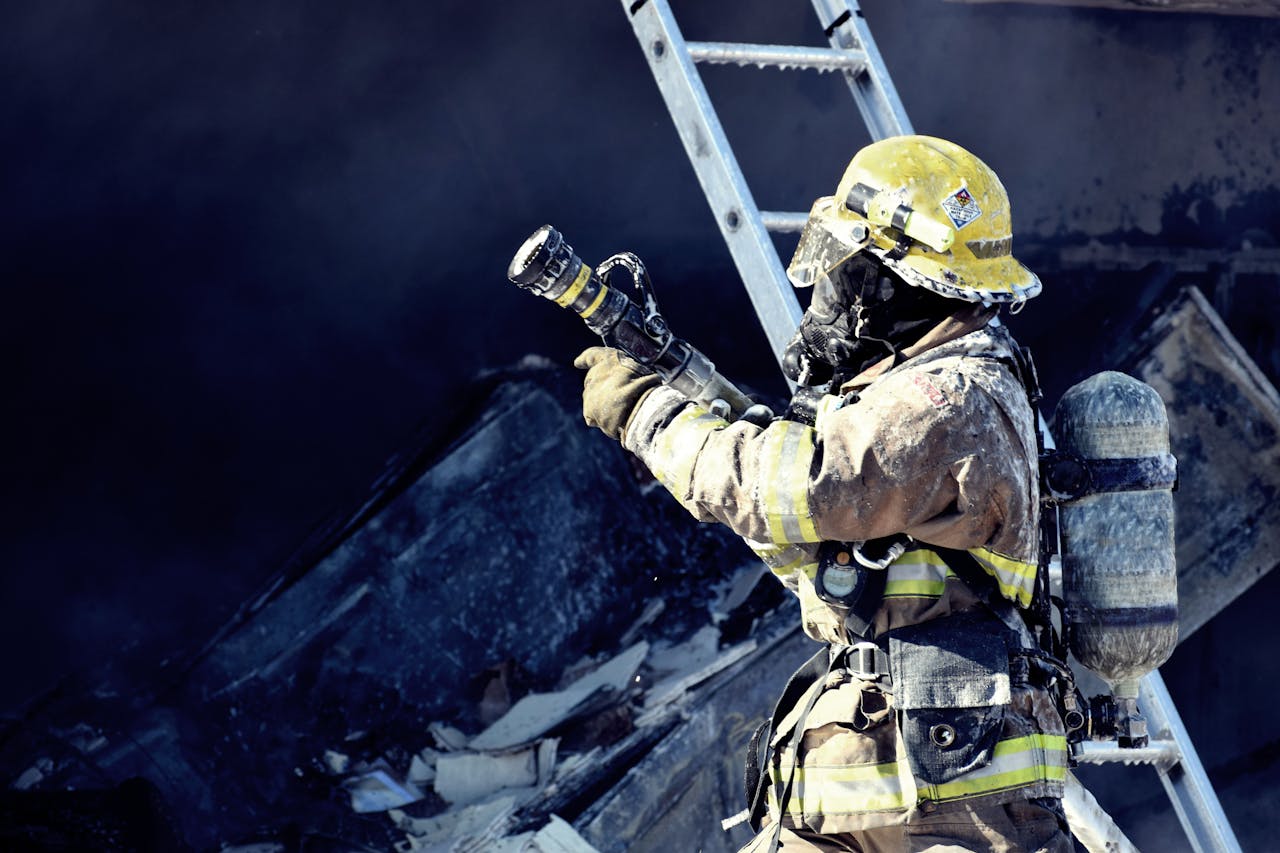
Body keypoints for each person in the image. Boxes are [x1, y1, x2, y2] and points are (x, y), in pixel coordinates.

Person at [575, 135, 1073, 852]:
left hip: (949, 805)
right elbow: (810, 545)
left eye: (845, 262)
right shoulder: (914, 397)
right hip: (882, 791)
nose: (827, 285)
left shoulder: (947, 399)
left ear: (888, 281)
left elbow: (780, 487)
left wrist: (647, 414)